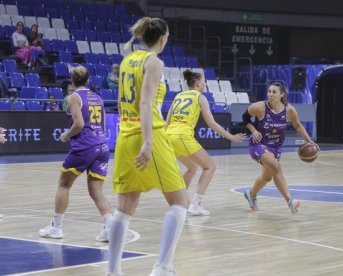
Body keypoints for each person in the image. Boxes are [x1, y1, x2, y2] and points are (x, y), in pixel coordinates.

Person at [108, 17, 189, 276]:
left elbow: (122, 104)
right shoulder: (154, 62)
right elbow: (145, 103)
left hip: (124, 135)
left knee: (125, 206)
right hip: (148, 134)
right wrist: (148, 142)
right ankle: (163, 268)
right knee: (180, 202)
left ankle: (113, 271)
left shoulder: (127, 60)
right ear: (163, 38)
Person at [39, 66, 113, 242]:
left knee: (64, 184)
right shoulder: (98, 97)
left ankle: (56, 228)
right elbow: (102, 125)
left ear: (72, 81)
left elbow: (79, 124)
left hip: (84, 146)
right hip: (102, 146)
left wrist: (66, 135)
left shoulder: (74, 97)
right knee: (96, 191)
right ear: (88, 80)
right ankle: (110, 227)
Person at [165, 69, 246, 216]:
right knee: (210, 166)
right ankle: (195, 205)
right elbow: (212, 124)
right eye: (203, 81)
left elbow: (167, 122)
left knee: (191, 168)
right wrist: (231, 137)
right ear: (197, 83)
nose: (205, 83)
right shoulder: (200, 97)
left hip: (169, 136)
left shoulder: (177, 96)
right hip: (182, 135)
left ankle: (178, 202)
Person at [242, 82, 317, 214]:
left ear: (282, 94)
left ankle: (251, 194)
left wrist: (310, 141)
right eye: (269, 91)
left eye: (274, 92)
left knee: (267, 177)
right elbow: (245, 117)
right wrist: (253, 130)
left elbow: (298, 126)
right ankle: (290, 202)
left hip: (276, 147)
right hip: (258, 144)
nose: (270, 94)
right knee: (276, 167)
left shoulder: (289, 110)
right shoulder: (260, 107)